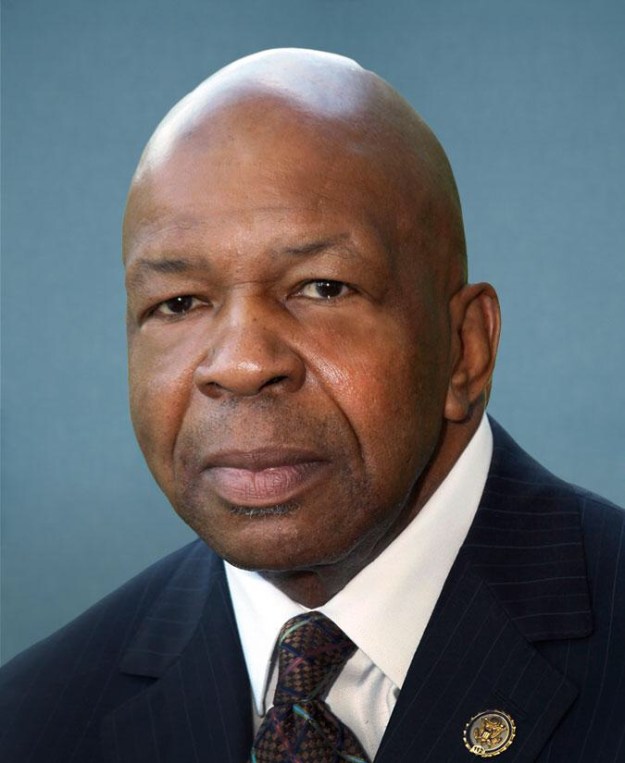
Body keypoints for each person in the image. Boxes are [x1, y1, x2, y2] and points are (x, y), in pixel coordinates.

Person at [0, 48, 623, 763]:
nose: (240, 365)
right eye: (179, 303)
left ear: (464, 348)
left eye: (323, 287)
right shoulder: (32, 724)